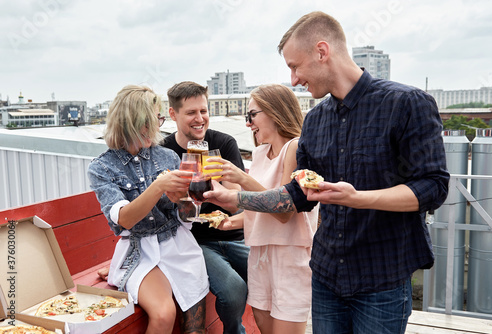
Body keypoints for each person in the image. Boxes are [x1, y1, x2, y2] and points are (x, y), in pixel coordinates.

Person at [205, 11, 450, 334]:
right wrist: (233, 196)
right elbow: (296, 196)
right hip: (325, 277)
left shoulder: (406, 103)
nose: (293, 79)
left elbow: (433, 187)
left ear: (322, 52)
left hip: (382, 280)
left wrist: (358, 198)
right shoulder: (316, 120)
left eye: (295, 66)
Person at [87, 85, 209, 334]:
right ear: (129, 122)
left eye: (157, 120)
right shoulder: (102, 168)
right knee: (164, 314)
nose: (154, 128)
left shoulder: (168, 157)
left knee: (196, 328)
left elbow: (188, 217)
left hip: (179, 244)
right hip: (138, 251)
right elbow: (124, 220)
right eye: (150, 121)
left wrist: (184, 201)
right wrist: (158, 186)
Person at [206, 84, 318, 334]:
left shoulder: (296, 147)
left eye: (252, 115)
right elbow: (258, 209)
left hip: (289, 256)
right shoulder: (259, 153)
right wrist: (227, 222)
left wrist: (240, 180)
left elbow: (283, 211)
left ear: (275, 111)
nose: (248, 123)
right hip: (259, 254)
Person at [163, 81, 250, 334]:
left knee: (272, 278)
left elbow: (237, 204)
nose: (200, 119)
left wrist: (218, 186)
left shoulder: (223, 144)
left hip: (235, 235)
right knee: (233, 290)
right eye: (191, 112)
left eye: (204, 111)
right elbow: (161, 210)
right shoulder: (165, 151)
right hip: (194, 242)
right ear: (173, 114)